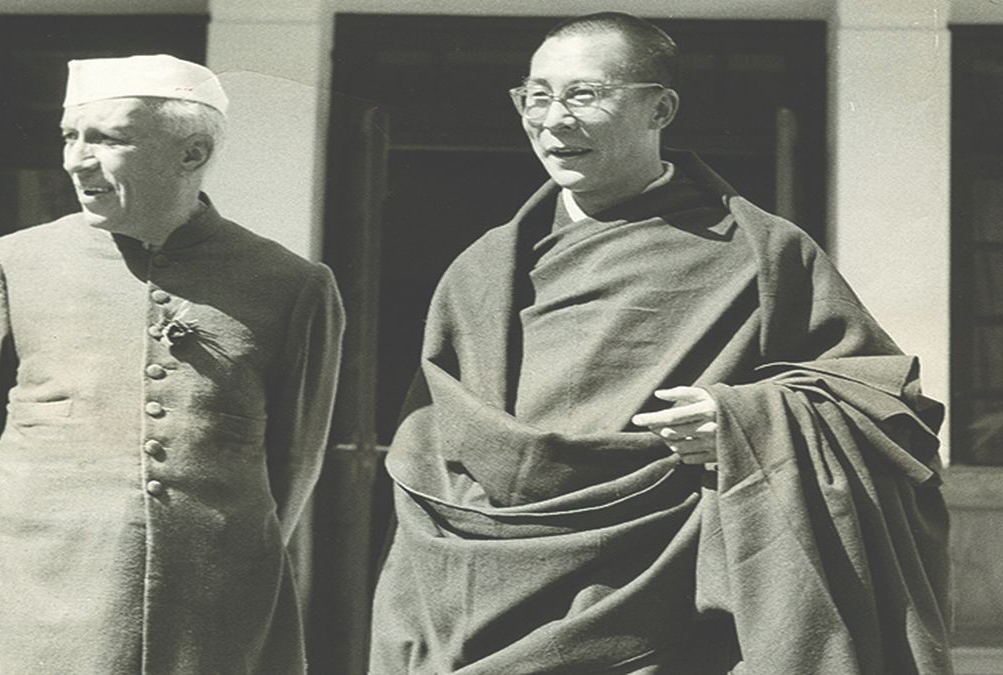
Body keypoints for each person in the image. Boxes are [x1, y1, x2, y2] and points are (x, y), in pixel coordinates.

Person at [370, 13, 951, 674]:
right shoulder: (482, 271)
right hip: (492, 600)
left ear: (661, 107)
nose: (553, 118)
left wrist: (744, 422)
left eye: (584, 95)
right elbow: (431, 460)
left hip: (673, 609)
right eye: (536, 96)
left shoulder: (762, 255)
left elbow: (888, 412)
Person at [0, 54, 344, 674]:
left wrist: (231, 556)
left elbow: (294, 460)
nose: (76, 159)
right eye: (70, 136)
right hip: (28, 588)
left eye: (108, 139)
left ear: (191, 154)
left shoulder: (291, 284)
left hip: (206, 602)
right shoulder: (9, 264)